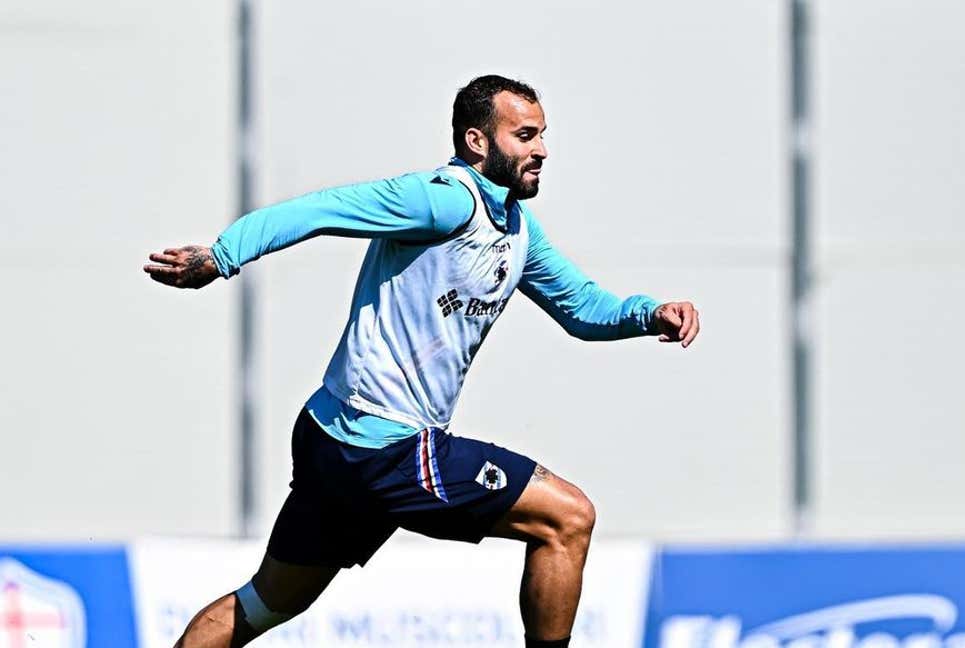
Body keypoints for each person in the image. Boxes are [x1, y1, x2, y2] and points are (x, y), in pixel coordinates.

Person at [144, 74, 700, 648]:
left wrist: (649, 314)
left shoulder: (515, 228)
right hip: (382, 448)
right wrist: (221, 256)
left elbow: (582, 308)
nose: (541, 150)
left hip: (333, 438)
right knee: (569, 519)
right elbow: (320, 208)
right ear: (478, 141)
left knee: (262, 605)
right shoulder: (442, 199)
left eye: (543, 136)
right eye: (525, 135)